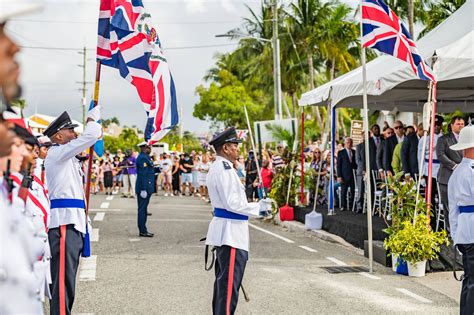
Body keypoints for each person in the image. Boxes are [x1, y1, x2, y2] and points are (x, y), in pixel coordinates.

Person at [205, 127, 272, 314]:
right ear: (225, 148)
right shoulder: (224, 170)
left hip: (227, 232)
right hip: (231, 234)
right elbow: (232, 203)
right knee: (227, 291)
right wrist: (261, 208)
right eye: (235, 146)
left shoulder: (220, 167)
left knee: (223, 288)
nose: (238, 150)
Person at [44, 108, 102, 315]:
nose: (74, 134)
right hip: (64, 224)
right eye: (70, 131)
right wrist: (92, 120)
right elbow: (91, 135)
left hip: (73, 222)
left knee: (67, 281)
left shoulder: (67, 158)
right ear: (59, 136)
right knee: (62, 282)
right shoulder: (57, 153)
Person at [447, 123, 474, 314]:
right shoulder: (469, 171)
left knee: (470, 280)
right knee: (472, 281)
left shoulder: (456, 172)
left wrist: (455, 234)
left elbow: (452, 209)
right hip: (472, 231)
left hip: (465, 232)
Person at [437, 116, 465, 230]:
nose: (461, 126)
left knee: (461, 205)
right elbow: (440, 155)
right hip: (447, 177)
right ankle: (450, 231)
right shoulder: (443, 139)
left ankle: (461, 229)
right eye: (458, 124)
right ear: (452, 125)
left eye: (462, 124)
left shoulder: (467, 139)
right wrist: (454, 166)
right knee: (449, 206)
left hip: (463, 178)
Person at [418, 115, 444, 228]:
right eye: (434, 125)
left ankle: (443, 222)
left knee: (443, 197)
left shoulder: (444, 138)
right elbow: (420, 156)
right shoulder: (425, 139)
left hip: (442, 171)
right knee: (430, 199)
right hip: (429, 171)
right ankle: (431, 223)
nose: (437, 127)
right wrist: (421, 173)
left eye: (438, 125)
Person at [135, 142, 155, 237]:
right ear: (143, 148)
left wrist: (157, 169)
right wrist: (143, 189)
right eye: (148, 147)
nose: (150, 149)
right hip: (144, 187)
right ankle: (142, 230)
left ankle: (143, 229)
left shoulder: (146, 157)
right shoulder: (143, 157)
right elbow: (143, 174)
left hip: (147, 187)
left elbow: (149, 170)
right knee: (142, 210)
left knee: (144, 209)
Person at [337, 137, 357, 211]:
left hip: (353, 175)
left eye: (350, 142)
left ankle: (352, 206)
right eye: (347, 142)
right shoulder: (341, 152)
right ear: (345, 144)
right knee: (343, 192)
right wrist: (339, 176)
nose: (349, 144)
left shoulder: (355, 152)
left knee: (353, 191)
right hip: (344, 175)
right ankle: (343, 206)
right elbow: (338, 165)